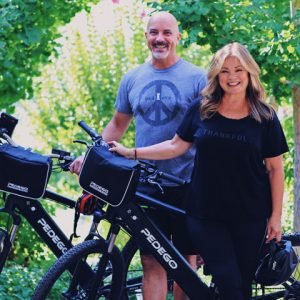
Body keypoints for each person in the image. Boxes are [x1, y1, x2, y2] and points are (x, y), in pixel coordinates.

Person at [109, 42, 289, 300]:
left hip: (250, 216)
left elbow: (274, 169)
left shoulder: (265, 118)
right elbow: (175, 146)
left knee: (242, 284)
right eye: (224, 71)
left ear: (249, 73)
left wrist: (275, 217)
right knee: (228, 281)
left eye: (238, 70)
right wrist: (131, 152)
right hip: (206, 214)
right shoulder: (203, 109)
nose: (232, 77)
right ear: (216, 75)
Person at [70, 11, 207, 300]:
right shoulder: (133, 78)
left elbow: (208, 133)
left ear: (178, 36)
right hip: (147, 185)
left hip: (188, 183)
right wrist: (89, 156)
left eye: (167, 33)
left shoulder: (198, 78)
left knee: (185, 262)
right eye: (154, 32)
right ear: (145, 36)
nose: (160, 38)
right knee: (151, 260)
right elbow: (117, 125)